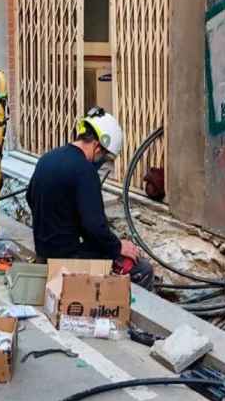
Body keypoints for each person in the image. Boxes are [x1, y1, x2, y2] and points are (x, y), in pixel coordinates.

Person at [26, 107, 155, 289]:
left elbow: (30, 197)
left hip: (44, 252)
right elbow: (94, 225)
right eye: (105, 155)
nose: (103, 161)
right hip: (70, 259)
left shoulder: (48, 158)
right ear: (97, 145)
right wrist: (118, 246)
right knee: (143, 269)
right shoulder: (85, 171)